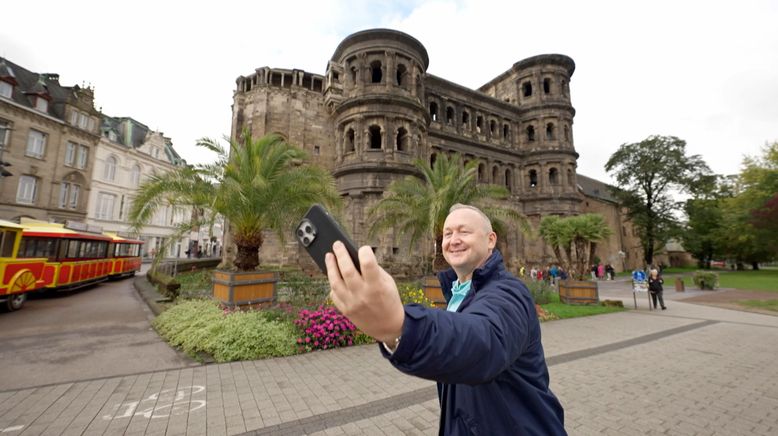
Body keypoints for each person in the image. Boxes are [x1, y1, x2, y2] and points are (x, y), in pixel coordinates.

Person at [325, 204, 566, 435]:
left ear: (490, 240)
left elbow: (483, 341)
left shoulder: (509, 293)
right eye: (447, 233)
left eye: (464, 231)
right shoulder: (459, 293)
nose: (453, 239)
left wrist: (401, 325)